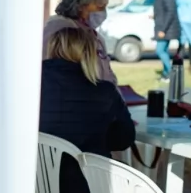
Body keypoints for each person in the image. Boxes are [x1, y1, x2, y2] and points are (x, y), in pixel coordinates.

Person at [40, 27, 136, 193]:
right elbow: (124, 139)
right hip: (88, 183)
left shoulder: (29, 86)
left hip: (36, 180)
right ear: (88, 53)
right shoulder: (104, 91)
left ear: (51, 48)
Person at [43, 0, 118, 85]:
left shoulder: (94, 35)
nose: (103, 12)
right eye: (100, 6)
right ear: (81, 4)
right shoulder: (60, 29)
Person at [150, 0, 180, 82]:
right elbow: (163, 10)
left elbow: (170, 12)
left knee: (160, 51)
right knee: (164, 51)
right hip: (163, 27)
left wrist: (163, 29)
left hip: (166, 29)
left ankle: (170, 72)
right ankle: (166, 73)